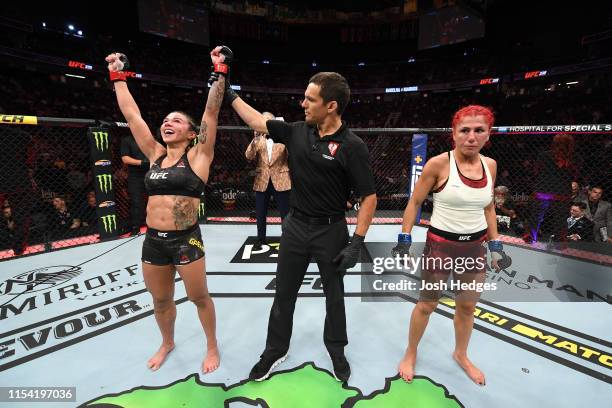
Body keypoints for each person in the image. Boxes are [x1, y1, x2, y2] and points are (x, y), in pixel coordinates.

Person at [216, 71, 377, 383]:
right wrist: (228, 89)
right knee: (284, 294)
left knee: (334, 296)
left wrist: (357, 241)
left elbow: (369, 197)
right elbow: (256, 122)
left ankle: (336, 350)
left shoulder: (352, 146)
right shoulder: (296, 131)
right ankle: (275, 350)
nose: (302, 103)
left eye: (310, 99)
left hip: (331, 231)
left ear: (331, 106)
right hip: (295, 227)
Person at [105, 45, 230, 373]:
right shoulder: (154, 154)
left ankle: (212, 347)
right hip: (154, 241)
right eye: (165, 120)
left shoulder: (199, 155)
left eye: (176, 121)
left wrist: (220, 73)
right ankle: (167, 342)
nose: (167, 123)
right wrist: (118, 76)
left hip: (186, 239)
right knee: (160, 301)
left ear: (191, 134)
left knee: (198, 298)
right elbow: (132, 116)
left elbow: (211, 114)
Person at [392, 105, 511, 386]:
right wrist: (404, 239)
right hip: (440, 246)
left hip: (474, 248)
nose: (471, 136)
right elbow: (415, 202)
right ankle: (410, 353)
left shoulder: (490, 165)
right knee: (426, 305)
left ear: (488, 134)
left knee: (467, 307)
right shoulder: (438, 164)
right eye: (465, 130)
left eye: (478, 130)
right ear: (454, 134)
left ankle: (461, 354)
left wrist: (496, 245)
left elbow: (489, 207)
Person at [245, 112, 291, 249]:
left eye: (267, 121)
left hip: (281, 179)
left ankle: (288, 239)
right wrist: (254, 140)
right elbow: (249, 156)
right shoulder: (258, 139)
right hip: (262, 180)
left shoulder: (283, 137)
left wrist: (284, 137)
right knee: (260, 213)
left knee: (285, 213)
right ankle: (261, 239)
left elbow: (292, 154)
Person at [121, 133, 150, 235]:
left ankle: (158, 225)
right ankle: (135, 228)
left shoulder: (149, 138)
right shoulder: (127, 140)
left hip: (151, 173)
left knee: (156, 199)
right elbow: (125, 159)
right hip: (135, 175)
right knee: (136, 202)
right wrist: (142, 162)